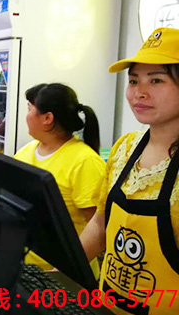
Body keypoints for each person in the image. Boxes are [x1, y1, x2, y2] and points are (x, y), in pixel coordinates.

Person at [80, 28, 179, 314]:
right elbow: (101, 223)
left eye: (156, 80)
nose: (139, 92)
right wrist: (59, 270)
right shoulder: (124, 148)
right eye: (134, 80)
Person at [14, 83, 105, 275]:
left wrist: (60, 273)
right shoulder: (27, 150)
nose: (26, 116)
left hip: (64, 276)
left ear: (47, 118)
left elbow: (98, 228)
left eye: (29, 109)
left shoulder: (85, 161)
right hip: (26, 268)